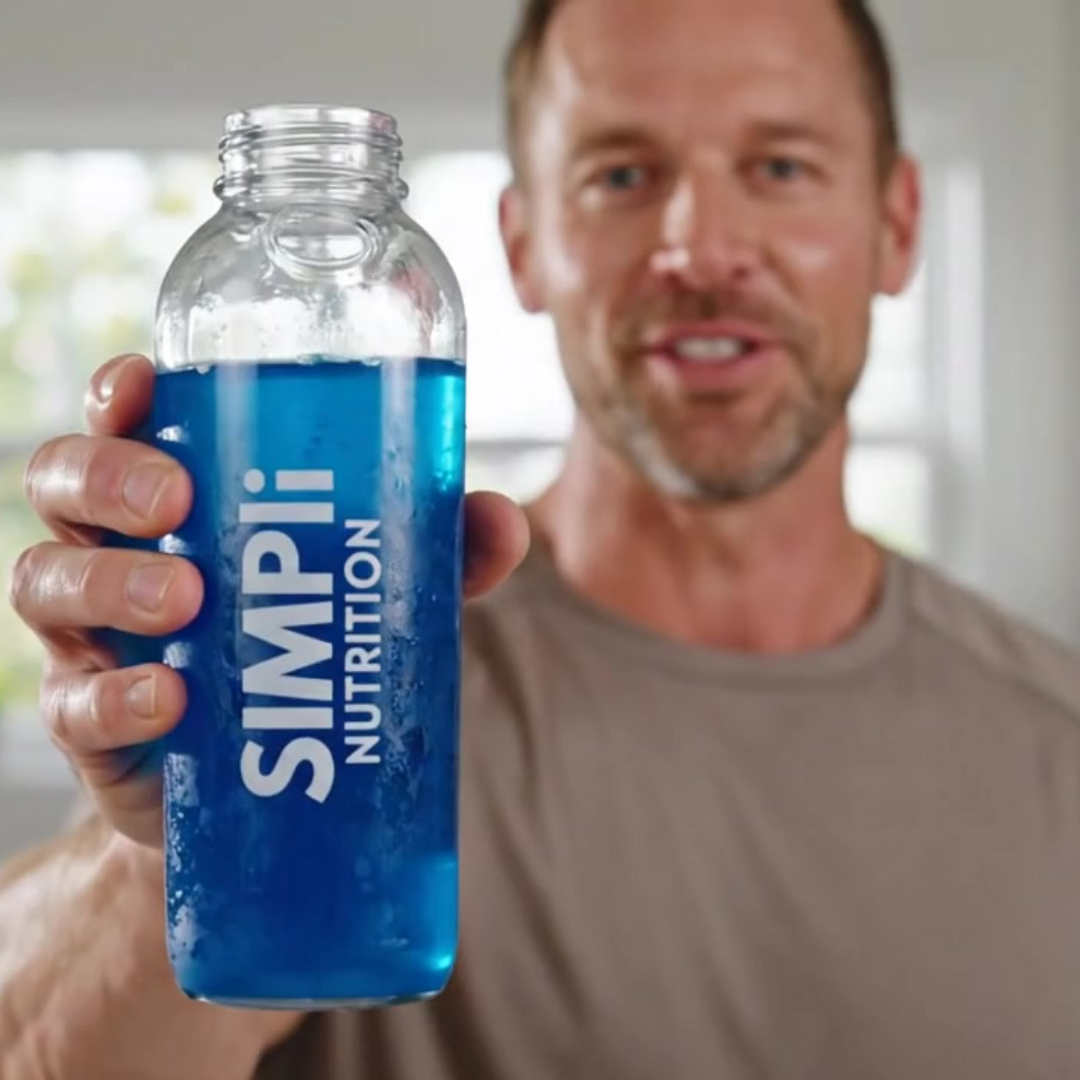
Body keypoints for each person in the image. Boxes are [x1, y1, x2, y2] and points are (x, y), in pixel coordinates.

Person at [4, 0, 1080, 1076]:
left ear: (898, 222)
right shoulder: (345, 665)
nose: (701, 250)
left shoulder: (1055, 742)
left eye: (782, 167)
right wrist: (163, 856)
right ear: (522, 244)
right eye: (622, 175)